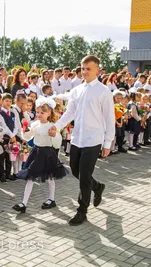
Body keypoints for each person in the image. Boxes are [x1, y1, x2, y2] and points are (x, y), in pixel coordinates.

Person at [49, 55, 115, 226]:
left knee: (84, 175)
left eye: (88, 69)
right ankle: (98, 187)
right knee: (76, 171)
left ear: (97, 70)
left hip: (94, 139)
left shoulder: (103, 91)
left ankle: (82, 211)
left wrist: (108, 142)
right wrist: (57, 126)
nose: (84, 72)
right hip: (77, 138)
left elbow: (109, 118)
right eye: (83, 69)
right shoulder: (77, 90)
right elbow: (70, 112)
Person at [12, 97, 66, 213]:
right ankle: (24, 203)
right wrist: (25, 130)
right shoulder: (35, 124)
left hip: (47, 154)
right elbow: (27, 137)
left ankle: (51, 199)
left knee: (50, 177)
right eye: (38, 112)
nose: (39, 114)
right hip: (36, 153)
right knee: (30, 178)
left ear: (49, 113)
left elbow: (57, 143)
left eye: (42, 112)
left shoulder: (52, 126)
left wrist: (54, 135)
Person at [0, 93, 20, 182]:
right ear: (2, 102)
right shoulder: (0, 114)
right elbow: (4, 126)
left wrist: (13, 135)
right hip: (4, 138)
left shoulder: (13, 113)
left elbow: (16, 125)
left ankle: (8, 173)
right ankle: (2, 175)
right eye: (6, 101)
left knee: (9, 155)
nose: (8, 103)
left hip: (11, 138)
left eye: (10, 101)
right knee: (2, 156)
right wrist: (11, 135)